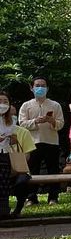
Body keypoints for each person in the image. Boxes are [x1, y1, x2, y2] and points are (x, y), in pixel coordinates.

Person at [19, 75, 64, 205]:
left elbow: (61, 124)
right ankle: (32, 197)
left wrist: (52, 121)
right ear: (31, 88)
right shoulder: (26, 105)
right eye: (37, 85)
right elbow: (21, 124)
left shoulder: (55, 105)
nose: (40, 88)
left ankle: (53, 197)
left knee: (53, 170)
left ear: (47, 88)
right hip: (32, 142)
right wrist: (35, 122)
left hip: (51, 142)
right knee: (33, 170)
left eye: (43, 86)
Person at [0, 90, 34, 218]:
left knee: (20, 181)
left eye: (5, 102)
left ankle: (9, 210)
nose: (2, 105)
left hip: (11, 165)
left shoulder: (20, 131)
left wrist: (12, 143)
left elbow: (26, 155)